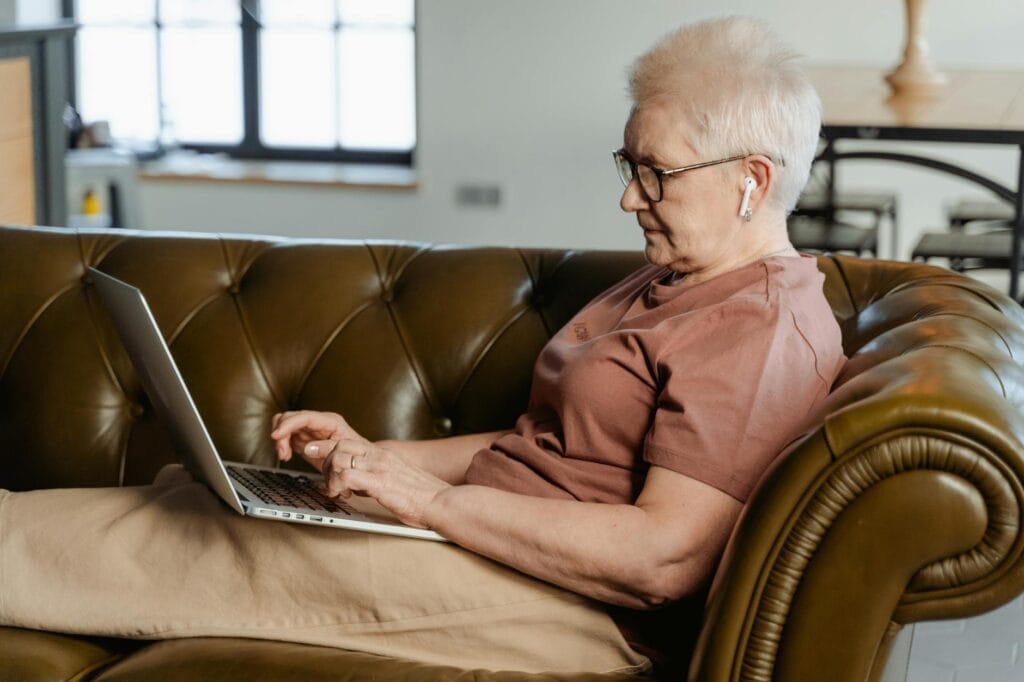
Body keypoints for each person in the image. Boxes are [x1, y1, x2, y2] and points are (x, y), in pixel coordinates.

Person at [0, 16, 843, 677]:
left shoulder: (760, 327)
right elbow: (543, 448)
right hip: (489, 548)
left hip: (569, 609)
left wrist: (426, 503)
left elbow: (663, 559)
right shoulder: (675, 278)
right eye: (630, 164)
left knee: (203, 540)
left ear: (752, 179)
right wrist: (379, 460)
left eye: (656, 173)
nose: (630, 198)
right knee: (192, 497)